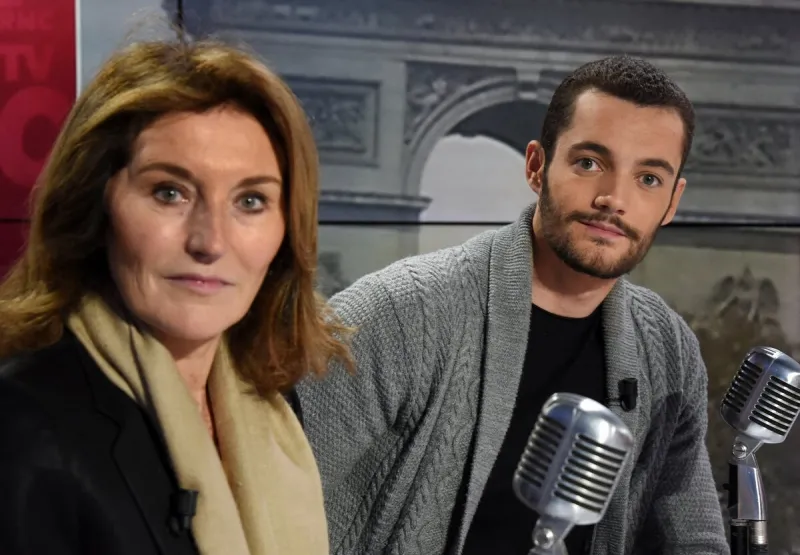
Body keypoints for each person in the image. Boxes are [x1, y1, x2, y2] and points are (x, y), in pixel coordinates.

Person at [297, 55, 728, 555]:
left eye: (648, 179)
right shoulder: (400, 312)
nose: (614, 198)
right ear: (536, 167)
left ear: (672, 203)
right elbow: (264, 498)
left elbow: (694, 539)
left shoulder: (668, 348)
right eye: (589, 163)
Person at [0, 35, 351, 555]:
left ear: (287, 231)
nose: (209, 242)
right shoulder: (21, 424)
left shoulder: (267, 411)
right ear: (95, 204)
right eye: (170, 192)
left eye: (251, 201)